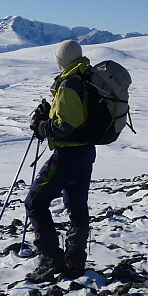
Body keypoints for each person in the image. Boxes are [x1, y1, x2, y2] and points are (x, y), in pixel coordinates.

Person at [24, 39, 97, 282]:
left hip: (68, 154)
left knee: (34, 201)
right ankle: (75, 259)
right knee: (76, 204)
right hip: (85, 152)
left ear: (60, 61)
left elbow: (65, 126)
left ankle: (50, 258)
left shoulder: (69, 83)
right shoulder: (86, 76)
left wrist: (41, 125)